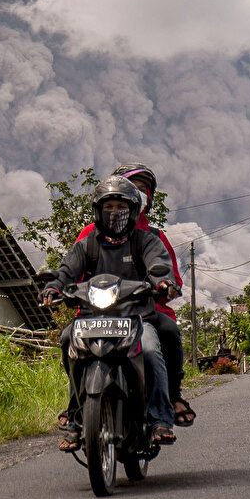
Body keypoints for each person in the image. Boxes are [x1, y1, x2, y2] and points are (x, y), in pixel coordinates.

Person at [41, 175, 176, 451]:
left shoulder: (145, 242)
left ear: (133, 211)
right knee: (69, 341)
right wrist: (54, 288)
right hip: (93, 319)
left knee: (150, 349)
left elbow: (159, 265)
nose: (115, 213)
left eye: (121, 207)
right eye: (109, 207)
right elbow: (67, 270)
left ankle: (160, 417)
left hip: (137, 318)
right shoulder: (87, 244)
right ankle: (77, 417)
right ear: (98, 211)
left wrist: (162, 281)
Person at [74, 163, 196, 428]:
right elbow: (73, 272)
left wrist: (164, 286)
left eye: (143, 190)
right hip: (98, 314)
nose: (138, 194)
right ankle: (76, 410)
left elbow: (171, 277)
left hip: (146, 313)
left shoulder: (153, 237)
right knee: (72, 347)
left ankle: (171, 398)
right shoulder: (90, 235)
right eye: (132, 188)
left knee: (164, 339)